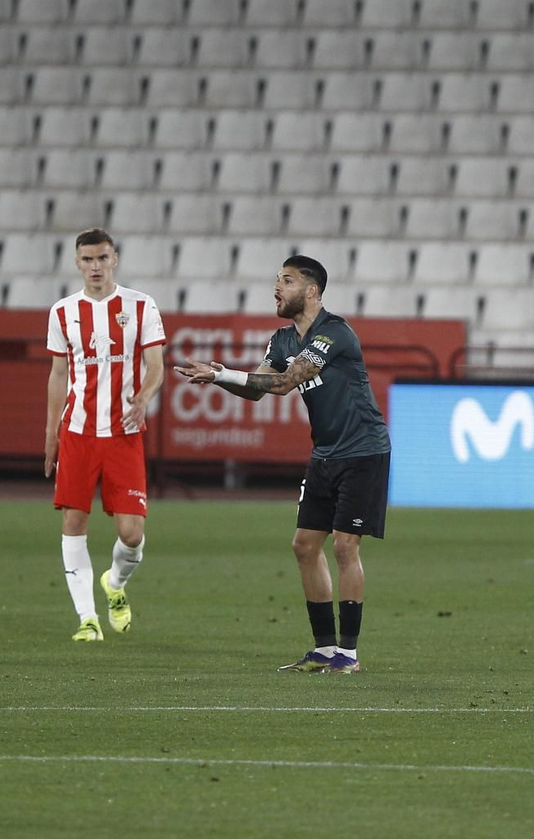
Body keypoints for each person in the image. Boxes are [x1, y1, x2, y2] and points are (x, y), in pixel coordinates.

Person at [175, 255, 390, 674]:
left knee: (345, 547)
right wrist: (224, 375)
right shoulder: (281, 340)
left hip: (363, 450)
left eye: (287, 281)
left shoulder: (335, 333)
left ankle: (349, 654)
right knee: (305, 545)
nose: (277, 287)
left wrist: (224, 375)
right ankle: (324, 648)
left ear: (311, 291)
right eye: (277, 280)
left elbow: (286, 383)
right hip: (325, 452)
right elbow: (257, 389)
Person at [44, 228, 167, 641]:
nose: (95, 266)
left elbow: (156, 365)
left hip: (124, 433)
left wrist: (144, 397)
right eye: (87, 260)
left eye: (102, 258)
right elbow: (58, 374)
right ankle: (87, 620)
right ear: (77, 263)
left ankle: (114, 583)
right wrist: (50, 433)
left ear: (115, 259)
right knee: (74, 521)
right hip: (77, 432)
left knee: (131, 535)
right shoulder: (62, 312)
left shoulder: (141, 305)